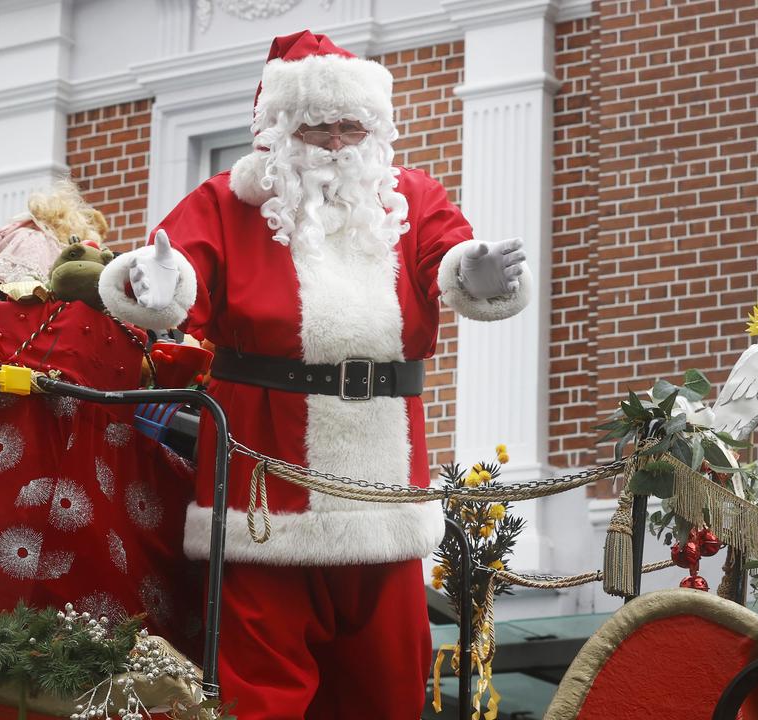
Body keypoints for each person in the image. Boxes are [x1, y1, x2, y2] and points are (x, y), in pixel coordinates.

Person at [100, 30, 530, 718]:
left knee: (387, 692)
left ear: (375, 127)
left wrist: (472, 274)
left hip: (383, 497)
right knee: (258, 695)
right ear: (279, 127)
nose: (335, 142)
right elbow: (173, 277)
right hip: (263, 502)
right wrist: (151, 281)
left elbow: (454, 263)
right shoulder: (226, 202)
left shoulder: (411, 200)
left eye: (349, 124)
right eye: (317, 124)